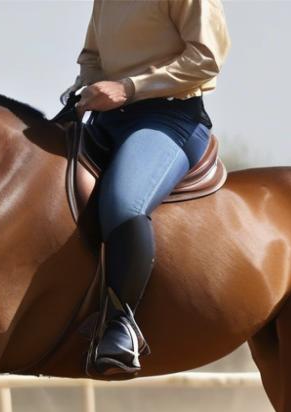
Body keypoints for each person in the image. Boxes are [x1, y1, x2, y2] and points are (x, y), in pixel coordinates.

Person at [61, 0, 230, 376]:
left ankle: (122, 325)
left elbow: (205, 59)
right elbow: (92, 54)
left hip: (169, 117)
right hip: (107, 118)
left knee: (123, 204)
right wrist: (88, 86)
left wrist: (128, 87)